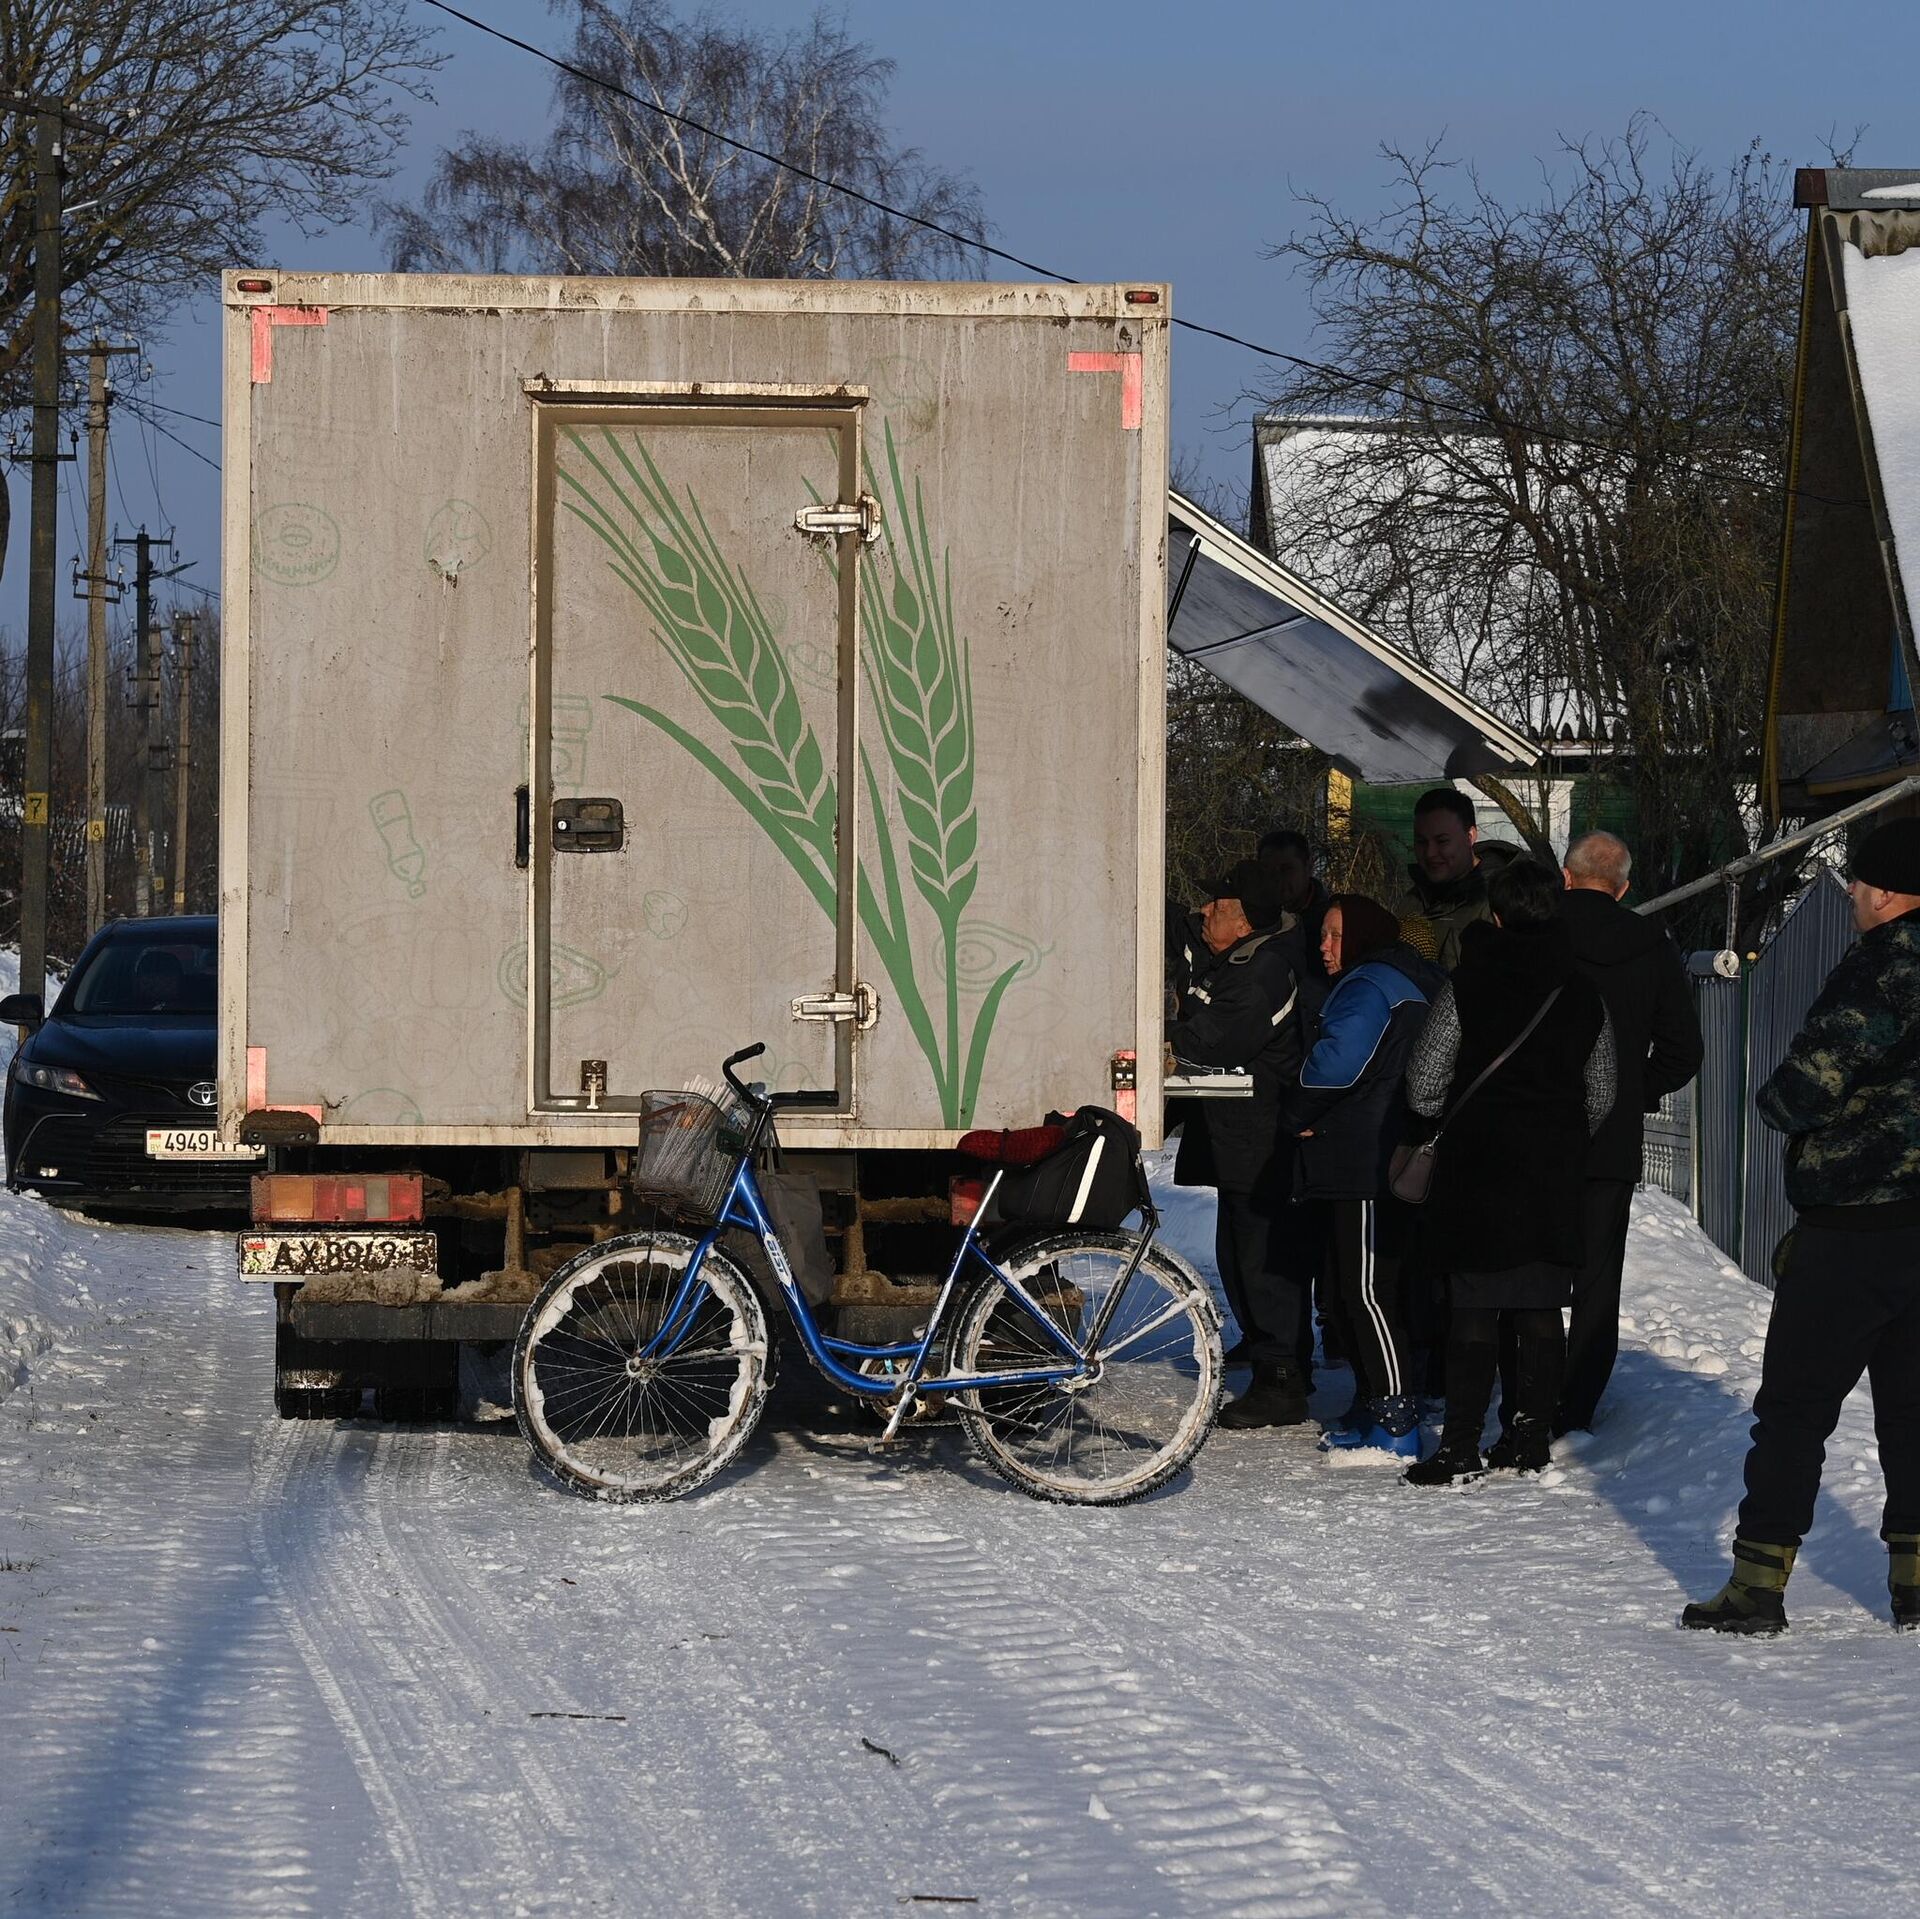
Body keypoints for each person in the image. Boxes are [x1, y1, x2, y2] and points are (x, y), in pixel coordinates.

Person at [1684, 819, 1920, 1636]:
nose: (1851, 893)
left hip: (1854, 1225)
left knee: (1795, 1408)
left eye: (1859, 882)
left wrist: (1777, 1098)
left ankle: (1757, 1584)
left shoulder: (1880, 968)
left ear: (1886, 891)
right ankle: (1915, 1581)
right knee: (1914, 1409)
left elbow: (1804, 1090)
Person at [1400, 858, 1617, 1484]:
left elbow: (1424, 1082)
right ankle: (1529, 1439)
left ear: (1495, 915)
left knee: (1473, 1304)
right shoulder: (1583, 991)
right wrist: (1561, 1137)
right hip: (1551, 1171)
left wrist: (1454, 1121)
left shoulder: (1465, 984)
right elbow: (1601, 1091)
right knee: (1541, 1304)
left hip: (1477, 1168)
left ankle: (1460, 1446)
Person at [1551, 831, 1703, 1433]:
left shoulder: (1536, 935)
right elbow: (1684, 1049)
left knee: (1527, 1259)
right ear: (1624, 887)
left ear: (1566, 877)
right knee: (1596, 1272)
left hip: (1533, 1124)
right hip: (1610, 1138)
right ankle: (1576, 1401)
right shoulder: (1651, 946)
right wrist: (1632, 1090)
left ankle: (1525, 1388)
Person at [1283, 894, 1443, 1459]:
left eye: (1334, 934)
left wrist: (1294, 1112)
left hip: (1365, 1158)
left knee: (1366, 1291)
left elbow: (1336, 1064)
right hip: (1383, 1151)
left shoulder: (1368, 984)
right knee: (1362, 1287)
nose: (1324, 946)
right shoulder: (1410, 978)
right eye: (1322, 934)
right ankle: (1376, 1402)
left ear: (1363, 935)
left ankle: (1396, 1419)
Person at [1167, 858, 1311, 1428]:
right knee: (1237, 1250)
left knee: (1262, 1258)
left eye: (1218, 906)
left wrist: (1166, 1035)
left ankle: (1282, 1379)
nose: (1204, 912)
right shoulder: (1239, 957)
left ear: (1245, 921)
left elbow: (1212, 1042)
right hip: (1238, 1138)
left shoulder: (1262, 973)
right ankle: (1268, 1349)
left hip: (1261, 1139)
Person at [1391, 788, 1524, 973]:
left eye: (1442, 841)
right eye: (1421, 841)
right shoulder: (1412, 900)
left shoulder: (1504, 901)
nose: (1430, 853)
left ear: (1470, 837)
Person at [1259, 829, 1331, 980]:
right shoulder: (1249, 917)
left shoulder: (1329, 922)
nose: (1276, 878)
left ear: (1308, 867)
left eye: (1286, 869)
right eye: (1267, 870)